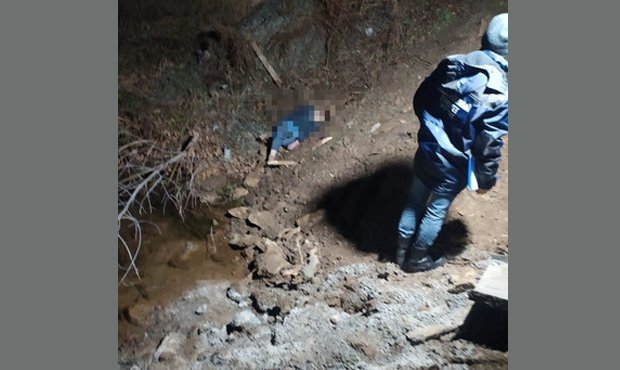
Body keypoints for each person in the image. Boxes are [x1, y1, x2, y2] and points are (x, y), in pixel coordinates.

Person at [396, 13, 509, 273]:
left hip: (427, 148)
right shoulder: (498, 93)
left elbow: (421, 97)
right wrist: (485, 180)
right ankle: (416, 259)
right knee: (437, 209)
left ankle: (400, 253)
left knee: (414, 200)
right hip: (453, 162)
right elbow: (488, 144)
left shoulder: (454, 62)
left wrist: (430, 129)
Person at [267, 104, 331, 164]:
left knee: (286, 143)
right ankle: (272, 154)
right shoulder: (306, 112)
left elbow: (307, 132)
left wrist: (296, 142)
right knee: (280, 137)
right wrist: (271, 157)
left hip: (293, 134)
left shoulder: (314, 124)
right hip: (289, 128)